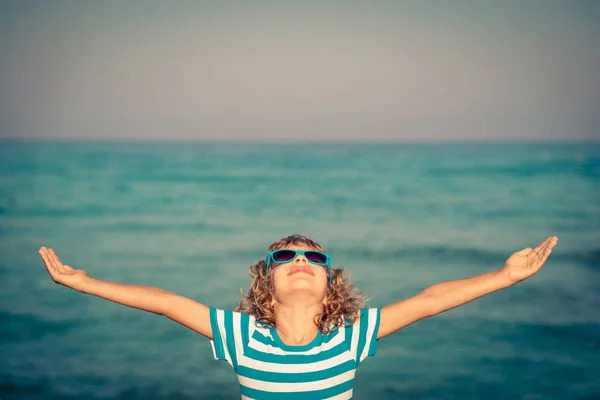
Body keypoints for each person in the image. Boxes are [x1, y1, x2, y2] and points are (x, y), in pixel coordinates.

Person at [39, 233, 558, 399]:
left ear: (330, 280)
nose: (301, 262)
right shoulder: (240, 335)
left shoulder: (351, 336)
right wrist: (84, 283)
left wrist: (504, 276)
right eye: (284, 258)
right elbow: (166, 301)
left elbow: (427, 301)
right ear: (267, 282)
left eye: (314, 257)